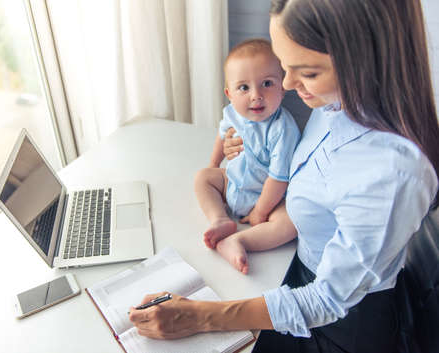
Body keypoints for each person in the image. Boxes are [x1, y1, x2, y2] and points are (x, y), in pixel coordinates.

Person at [129, 1, 439, 351]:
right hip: (294, 271)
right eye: (285, 66)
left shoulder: (393, 171)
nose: (289, 84)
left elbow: (327, 300)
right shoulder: (333, 105)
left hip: (341, 325)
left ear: (364, 62)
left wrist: (200, 315)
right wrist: (244, 149)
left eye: (307, 72)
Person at [194, 38, 300, 274]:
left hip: (267, 195)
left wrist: (260, 211)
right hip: (234, 183)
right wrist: (213, 166)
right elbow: (222, 137)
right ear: (229, 93)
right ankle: (219, 218)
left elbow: (278, 178)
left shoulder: (283, 129)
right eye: (244, 87)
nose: (256, 95)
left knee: (289, 225)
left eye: (267, 84)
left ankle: (240, 241)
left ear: (282, 87)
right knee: (202, 177)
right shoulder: (232, 113)